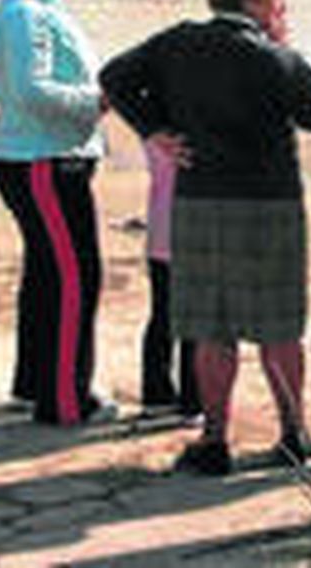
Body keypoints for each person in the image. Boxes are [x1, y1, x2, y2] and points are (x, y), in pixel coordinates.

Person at [101, 0, 311, 476]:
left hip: (200, 197)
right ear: (258, 0)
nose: (282, 4)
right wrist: (284, 46)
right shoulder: (270, 56)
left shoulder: (179, 42)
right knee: (279, 327)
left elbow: (114, 77)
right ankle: (293, 434)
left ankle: (214, 438)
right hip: (269, 202)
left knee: (212, 329)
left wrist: (154, 129)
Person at [0, 0, 114, 426]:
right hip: (41, 161)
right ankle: (65, 400)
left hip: (49, 155)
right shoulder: (24, 13)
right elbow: (31, 91)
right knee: (75, 276)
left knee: (47, 271)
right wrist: (96, 102)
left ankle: (35, 383)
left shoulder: (41, 4)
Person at [137, 137, 199, 419]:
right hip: (193, 229)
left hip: (161, 231)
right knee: (195, 320)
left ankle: (156, 395)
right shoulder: (187, 133)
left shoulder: (153, 131)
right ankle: (192, 400)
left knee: (162, 315)